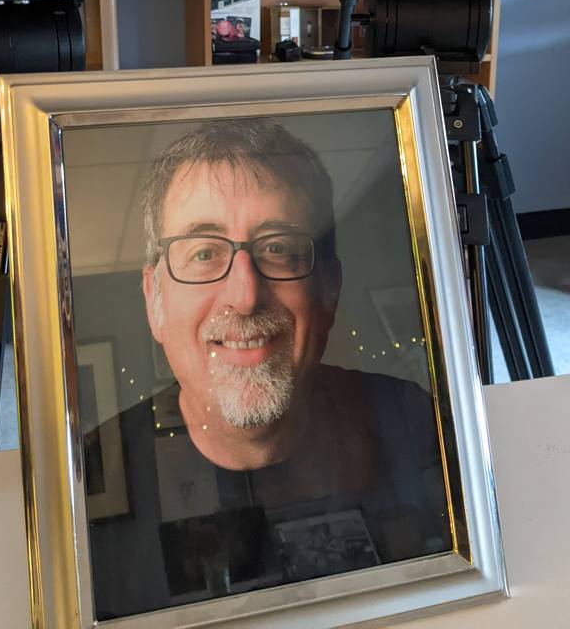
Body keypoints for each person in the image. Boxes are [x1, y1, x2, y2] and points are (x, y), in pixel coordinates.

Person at [84, 119, 451, 621]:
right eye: (204, 252)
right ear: (155, 300)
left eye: (278, 247)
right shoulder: (85, 481)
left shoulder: (414, 419)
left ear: (329, 289)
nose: (245, 295)